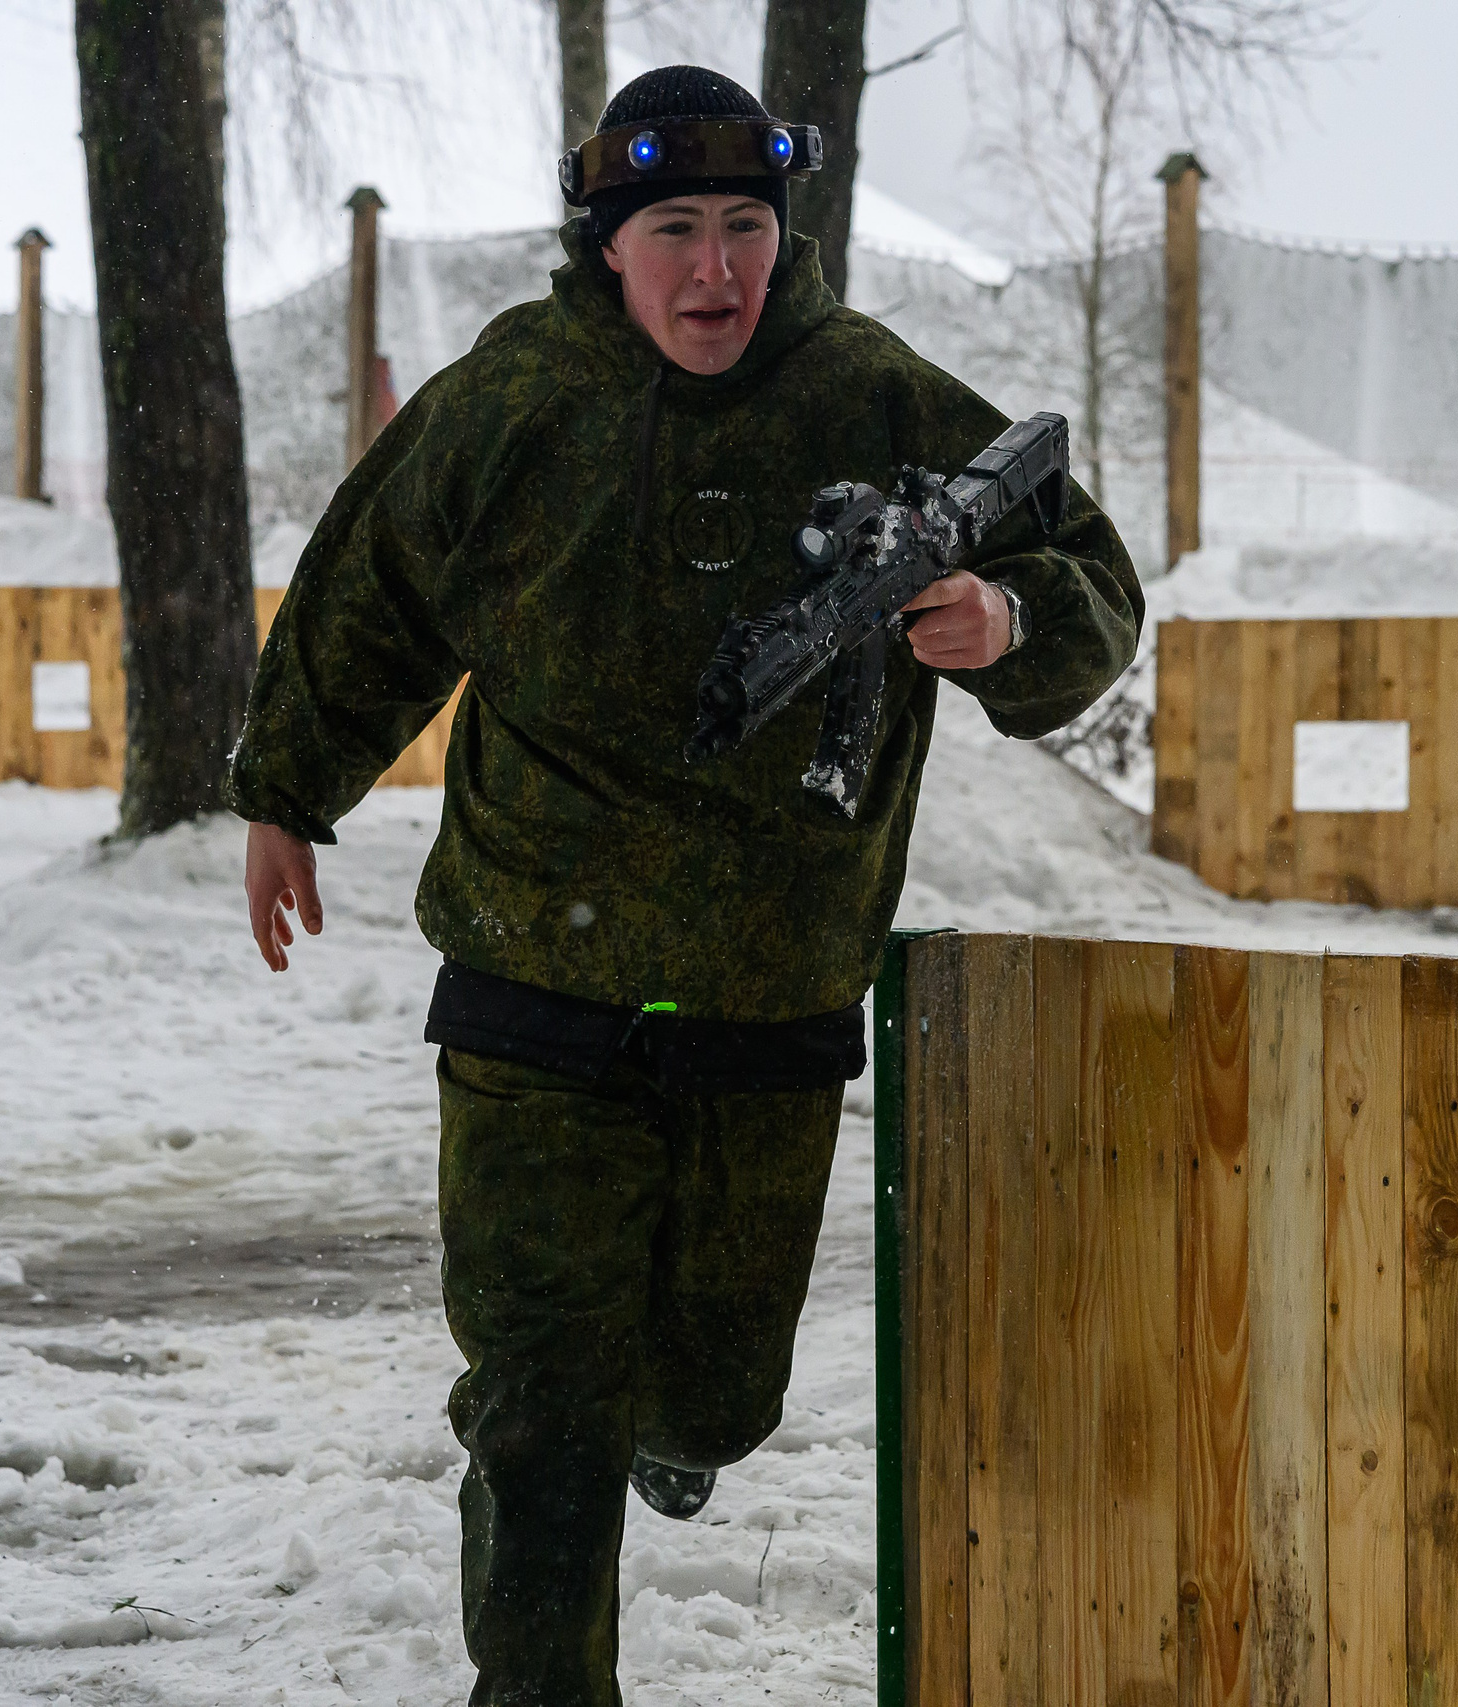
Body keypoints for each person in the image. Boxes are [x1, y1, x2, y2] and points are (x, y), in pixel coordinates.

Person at [228, 64, 1141, 1707]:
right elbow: (371, 594)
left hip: (764, 1003)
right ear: (606, 244)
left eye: (743, 228)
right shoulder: (511, 402)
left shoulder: (870, 396)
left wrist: (1006, 626)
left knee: (713, 1392)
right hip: (532, 985)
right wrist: (286, 789)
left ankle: (664, 1424)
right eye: (673, 231)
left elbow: (1090, 574)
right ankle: (540, 1566)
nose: (715, 270)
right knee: (543, 1414)